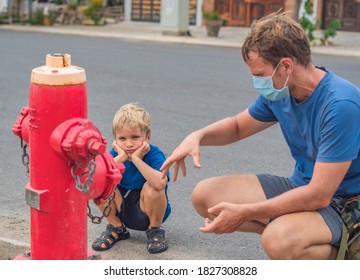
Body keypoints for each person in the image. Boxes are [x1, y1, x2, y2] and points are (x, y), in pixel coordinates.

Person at [160, 12, 360, 260]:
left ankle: (350, 253)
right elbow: (237, 126)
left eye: (260, 75)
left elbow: (320, 194)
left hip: (345, 204)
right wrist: (197, 136)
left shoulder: (341, 104)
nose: (257, 83)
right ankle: (299, 232)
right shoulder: (281, 92)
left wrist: (245, 212)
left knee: (277, 241)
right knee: (205, 197)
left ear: (286, 66)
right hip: (301, 185)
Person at [92, 103, 171, 254]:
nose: (128, 144)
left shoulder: (155, 154)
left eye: (135, 137)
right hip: (122, 206)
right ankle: (117, 228)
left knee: (153, 187)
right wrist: (120, 158)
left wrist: (136, 159)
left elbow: (160, 183)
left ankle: (155, 230)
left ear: (147, 136)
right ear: (115, 140)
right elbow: (95, 178)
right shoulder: (114, 155)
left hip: (148, 208)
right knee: (102, 183)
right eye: (122, 138)